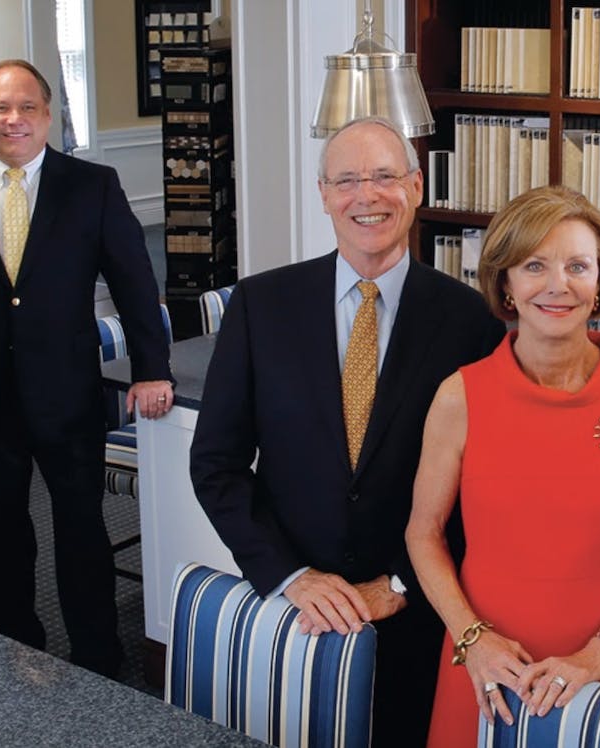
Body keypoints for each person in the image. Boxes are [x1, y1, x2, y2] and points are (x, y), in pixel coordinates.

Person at [189, 116, 505, 746]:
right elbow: (217, 464)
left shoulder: (469, 320)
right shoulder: (260, 305)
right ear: (324, 193)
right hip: (293, 610)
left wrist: (398, 584)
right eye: (348, 180)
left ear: (416, 187)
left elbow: (485, 484)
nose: (368, 196)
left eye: (386, 176)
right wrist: (287, 575)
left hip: (417, 613)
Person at [0, 59, 172, 677]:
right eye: (0, 107)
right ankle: (12, 649)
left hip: (67, 391)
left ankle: (96, 656)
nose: (14, 119)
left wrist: (150, 367)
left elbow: (134, 280)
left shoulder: (94, 184)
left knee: (81, 529)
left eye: (27, 107)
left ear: (48, 114)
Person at [407, 185, 600, 745]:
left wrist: (598, 655)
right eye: (534, 265)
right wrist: (471, 638)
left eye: (578, 266)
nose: (558, 285)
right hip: (486, 662)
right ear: (505, 284)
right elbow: (423, 532)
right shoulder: (459, 396)